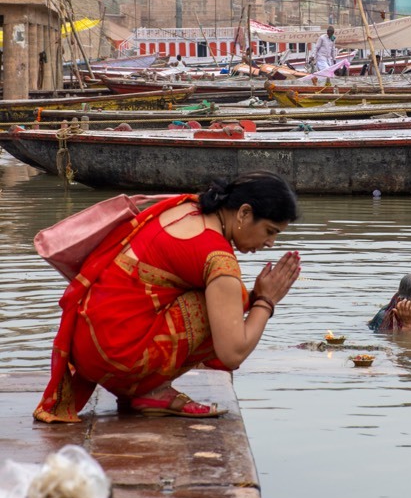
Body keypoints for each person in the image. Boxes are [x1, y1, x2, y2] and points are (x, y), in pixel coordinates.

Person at [33, 171, 300, 424]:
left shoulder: (186, 207)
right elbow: (232, 353)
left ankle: (143, 387)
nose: (270, 244)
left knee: (232, 297)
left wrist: (251, 298)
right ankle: (150, 391)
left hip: (88, 343)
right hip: (115, 356)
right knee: (227, 299)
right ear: (244, 212)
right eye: (270, 231)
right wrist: (266, 301)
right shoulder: (218, 259)